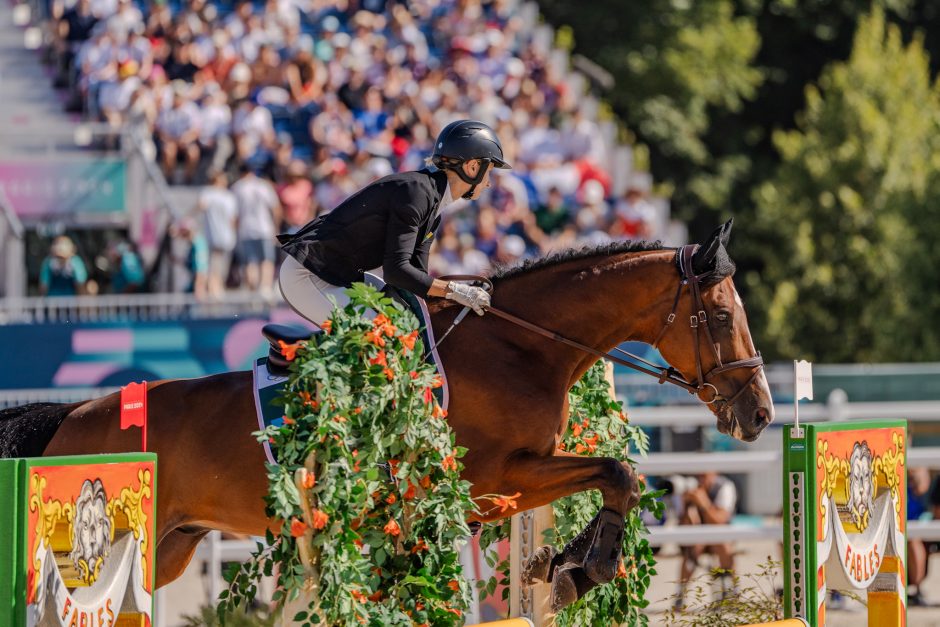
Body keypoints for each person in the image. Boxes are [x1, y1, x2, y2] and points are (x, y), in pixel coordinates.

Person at [278, 119, 511, 326]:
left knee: (408, 316)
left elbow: (416, 278)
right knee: (382, 334)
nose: (489, 182)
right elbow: (397, 271)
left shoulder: (432, 206)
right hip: (307, 275)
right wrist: (455, 291)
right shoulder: (418, 193)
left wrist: (461, 295)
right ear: (472, 167)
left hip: (336, 275)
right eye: (488, 172)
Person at [674, 471, 738, 610]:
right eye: (699, 474)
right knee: (694, 547)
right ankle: (680, 593)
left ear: (713, 473)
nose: (700, 478)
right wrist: (687, 506)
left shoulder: (724, 486)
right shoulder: (688, 488)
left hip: (720, 534)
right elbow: (685, 527)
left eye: (704, 474)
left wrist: (703, 503)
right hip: (698, 535)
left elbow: (719, 520)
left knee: (724, 545)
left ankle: (733, 591)